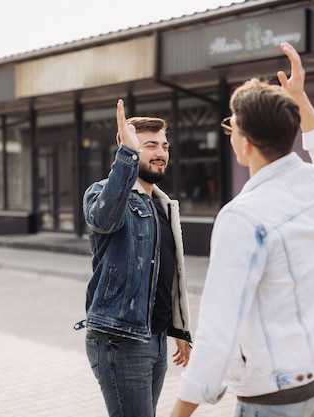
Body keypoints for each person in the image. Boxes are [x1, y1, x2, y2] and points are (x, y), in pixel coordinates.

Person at [170, 42, 314, 417]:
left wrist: (179, 412)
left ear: (245, 144)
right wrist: (298, 96)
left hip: (278, 396)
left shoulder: (241, 218)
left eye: (231, 125)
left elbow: (218, 330)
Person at [79, 99, 192, 417]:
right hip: (121, 340)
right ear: (125, 151)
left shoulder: (163, 203)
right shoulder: (102, 194)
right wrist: (126, 157)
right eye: (149, 146)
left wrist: (179, 330)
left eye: (165, 146)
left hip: (154, 338)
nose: (161, 153)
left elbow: (170, 273)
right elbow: (104, 220)